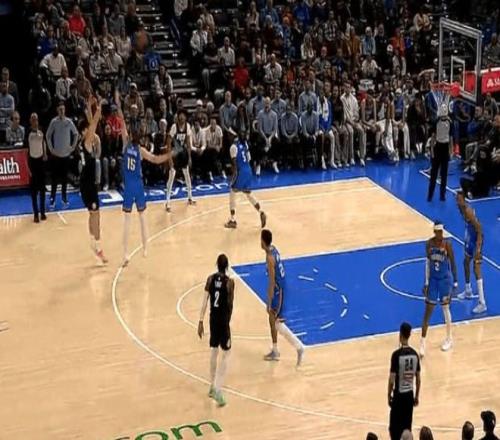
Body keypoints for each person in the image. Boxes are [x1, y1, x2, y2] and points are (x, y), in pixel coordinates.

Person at [115, 93, 171, 267]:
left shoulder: (130, 146)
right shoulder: (136, 148)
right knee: (139, 219)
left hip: (132, 185)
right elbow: (155, 159)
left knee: (132, 220)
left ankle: (129, 252)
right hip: (135, 185)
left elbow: (122, 121)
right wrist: (169, 155)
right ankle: (140, 249)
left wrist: (118, 103)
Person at [261, 229, 304, 365]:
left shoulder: (270, 258)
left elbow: (272, 281)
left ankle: (299, 347)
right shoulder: (273, 249)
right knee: (272, 319)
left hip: (278, 291)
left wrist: (268, 302)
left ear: (263, 241)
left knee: (277, 323)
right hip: (279, 288)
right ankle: (275, 350)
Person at [198, 254, 235, 407]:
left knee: (214, 351)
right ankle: (218, 390)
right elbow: (230, 304)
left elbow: (204, 301)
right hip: (223, 321)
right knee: (226, 353)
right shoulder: (229, 282)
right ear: (227, 266)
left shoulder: (210, 279)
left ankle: (212, 386)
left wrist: (200, 321)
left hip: (212, 319)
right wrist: (227, 322)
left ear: (216, 265)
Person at [420, 221, 458, 357]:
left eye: (442, 231)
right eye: (439, 232)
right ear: (434, 232)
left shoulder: (447, 244)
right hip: (433, 280)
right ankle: (422, 343)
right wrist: (426, 282)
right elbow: (427, 263)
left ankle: (449, 338)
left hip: (445, 280)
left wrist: (455, 282)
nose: (441, 234)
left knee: (445, 308)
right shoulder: (429, 244)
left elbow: (453, 263)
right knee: (428, 311)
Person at [78, 97, 108, 264]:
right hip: (88, 184)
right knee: (96, 215)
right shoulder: (87, 143)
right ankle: (97, 247)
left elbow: (91, 124)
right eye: (87, 130)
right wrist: (99, 108)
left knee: (93, 213)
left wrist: (89, 107)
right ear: (84, 131)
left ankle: (93, 241)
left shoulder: (84, 143)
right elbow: (94, 123)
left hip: (86, 183)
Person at [224, 128, 266, 229]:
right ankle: (261, 212)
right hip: (248, 170)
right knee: (248, 193)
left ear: (233, 135)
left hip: (241, 172)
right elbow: (249, 158)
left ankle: (232, 220)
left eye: (229, 134)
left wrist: (233, 177)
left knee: (232, 191)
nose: (228, 136)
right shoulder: (245, 144)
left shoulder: (233, 147)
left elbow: (235, 165)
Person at [388, 322, 421, 440]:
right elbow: (418, 379)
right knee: (407, 428)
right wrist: (416, 396)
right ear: (409, 335)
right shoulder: (415, 355)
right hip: (409, 396)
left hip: (399, 396)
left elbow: (391, 380)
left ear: (400, 335)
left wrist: (388, 395)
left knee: (394, 428)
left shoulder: (396, 355)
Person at [456, 191, 486, 313]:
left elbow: (479, 229)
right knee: (465, 262)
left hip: (477, 238)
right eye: (456, 199)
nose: (457, 202)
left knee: (476, 268)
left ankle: (482, 303)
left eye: (459, 199)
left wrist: (478, 249)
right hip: (470, 235)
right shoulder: (461, 209)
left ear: (464, 200)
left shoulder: (468, 211)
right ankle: (468, 290)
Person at [46, 101, 78, 208]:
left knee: (64, 179)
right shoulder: (54, 122)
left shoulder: (69, 122)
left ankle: (64, 197)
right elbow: (48, 135)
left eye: (63, 109)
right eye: (60, 109)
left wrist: (72, 147)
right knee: (54, 179)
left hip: (66, 155)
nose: (62, 111)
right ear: (57, 110)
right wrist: (51, 149)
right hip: (56, 155)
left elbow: (76, 133)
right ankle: (52, 198)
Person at [165, 110, 196, 212]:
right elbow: (168, 142)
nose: (181, 118)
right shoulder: (174, 127)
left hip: (182, 154)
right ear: (178, 118)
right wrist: (169, 158)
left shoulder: (187, 126)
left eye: (183, 116)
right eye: (180, 116)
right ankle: (168, 202)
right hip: (174, 154)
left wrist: (189, 157)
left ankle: (190, 197)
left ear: (185, 118)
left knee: (187, 175)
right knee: (171, 176)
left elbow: (188, 143)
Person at [427, 103, 453, 202]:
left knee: (444, 174)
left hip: (445, 148)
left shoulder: (450, 122)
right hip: (438, 147)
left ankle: (442, 195)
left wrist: (451, 151)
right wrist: (432, 150)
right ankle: (430, 195)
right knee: (434, 174)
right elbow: (433, 137)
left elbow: (450, 138)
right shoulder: (436, 122)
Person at [27, 113, 47, 223]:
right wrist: (28, 168)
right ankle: (35, 214)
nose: (35, 121)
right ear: (30, 121)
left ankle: (42, 212)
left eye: (36, 119)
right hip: (32, 162)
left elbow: (43, 142)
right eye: (33, 119)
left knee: (42, 190)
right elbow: (26, 151)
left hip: (40, 162)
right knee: (34, 192)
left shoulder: (41, 131)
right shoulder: (28, 132)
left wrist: (45, 153)